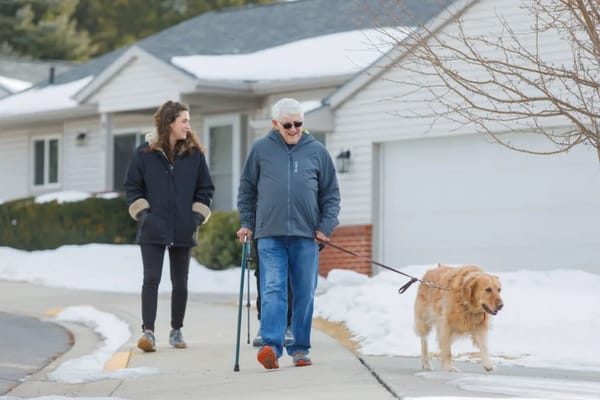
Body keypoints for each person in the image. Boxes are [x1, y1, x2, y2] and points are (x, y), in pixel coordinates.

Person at [237, 98, 341, 369]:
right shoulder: (260, 150)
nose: (294, 129)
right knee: (273, 289)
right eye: (287, 124)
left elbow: (331, 195)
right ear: (275, 124)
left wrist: (325, 227)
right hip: (269, 234)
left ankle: (300, 348)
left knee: (305, 292)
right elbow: (247, 190)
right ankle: (272, 345)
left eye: (298, 123)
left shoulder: (317, 151)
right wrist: (247, 223)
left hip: (306, 236)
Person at [124, 100, 214, 352]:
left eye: (188, 120)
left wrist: (196, 217)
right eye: (183, 120)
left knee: (180, 282)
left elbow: (205, 189)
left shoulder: (194, 155)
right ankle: (148, 333)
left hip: (184, 227)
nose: (188, 125)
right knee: (151, 279)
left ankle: (176, 330)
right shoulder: (144, 153)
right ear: (169, 123)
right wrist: (144, 215)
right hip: (153, 227)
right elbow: (132, 187)